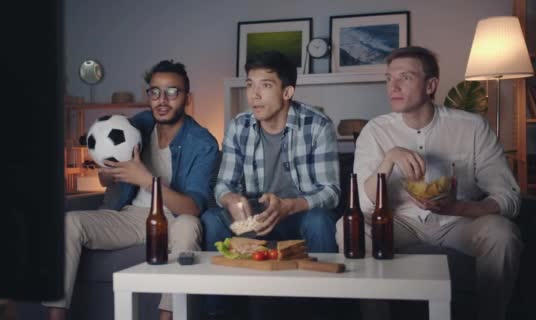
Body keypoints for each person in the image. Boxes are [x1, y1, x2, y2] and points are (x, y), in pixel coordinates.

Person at [336, 46, 522, 320]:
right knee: (345, 228)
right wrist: (389, 159)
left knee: (503, 234)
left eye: (406, 77)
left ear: (431, 85)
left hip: (459, 222)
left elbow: (509, 197)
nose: (393, 86)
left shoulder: (472, 127)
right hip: (399, 222)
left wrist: (459, 208)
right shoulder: (375, 131)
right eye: (389, 78)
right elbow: (365, 204)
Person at [43, 60, 219, 320]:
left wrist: (148, 180)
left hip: (173, 218)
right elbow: (108, 179)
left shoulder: (202, 143)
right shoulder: (139, 124)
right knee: (69, 222)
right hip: (131, 217)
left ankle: (166, 317)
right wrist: (108, 173)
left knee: (189, 225)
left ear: (186, 97)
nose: (162, 100)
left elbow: (193, 207)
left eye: (172, 92)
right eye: (155, 92)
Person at [202, 51, 341, 319]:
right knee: (211, 219)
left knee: (321, 221)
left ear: (287, 91)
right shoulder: (239, 126)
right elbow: (223, 184)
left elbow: (331, 192)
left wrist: (290, 206)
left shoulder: (317, 125)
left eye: (265, 85)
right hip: (254, 218)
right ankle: (217, 312)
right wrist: (231, 198)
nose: (254, 95)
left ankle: (326, 309)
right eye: (249, 84)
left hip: (298, 215)